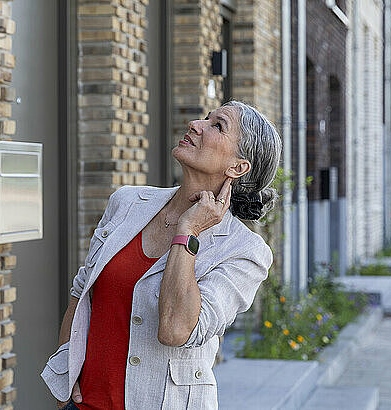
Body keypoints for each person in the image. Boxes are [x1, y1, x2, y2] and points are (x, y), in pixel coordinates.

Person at [41, 100, 282, 409]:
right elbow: (81, 291)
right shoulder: (126, 203)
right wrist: (66, 368)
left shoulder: (245, 252)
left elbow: (176, 329)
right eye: (205, 118)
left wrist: (189, 231)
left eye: (217, 126)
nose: (197, 124)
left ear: (237, 167)